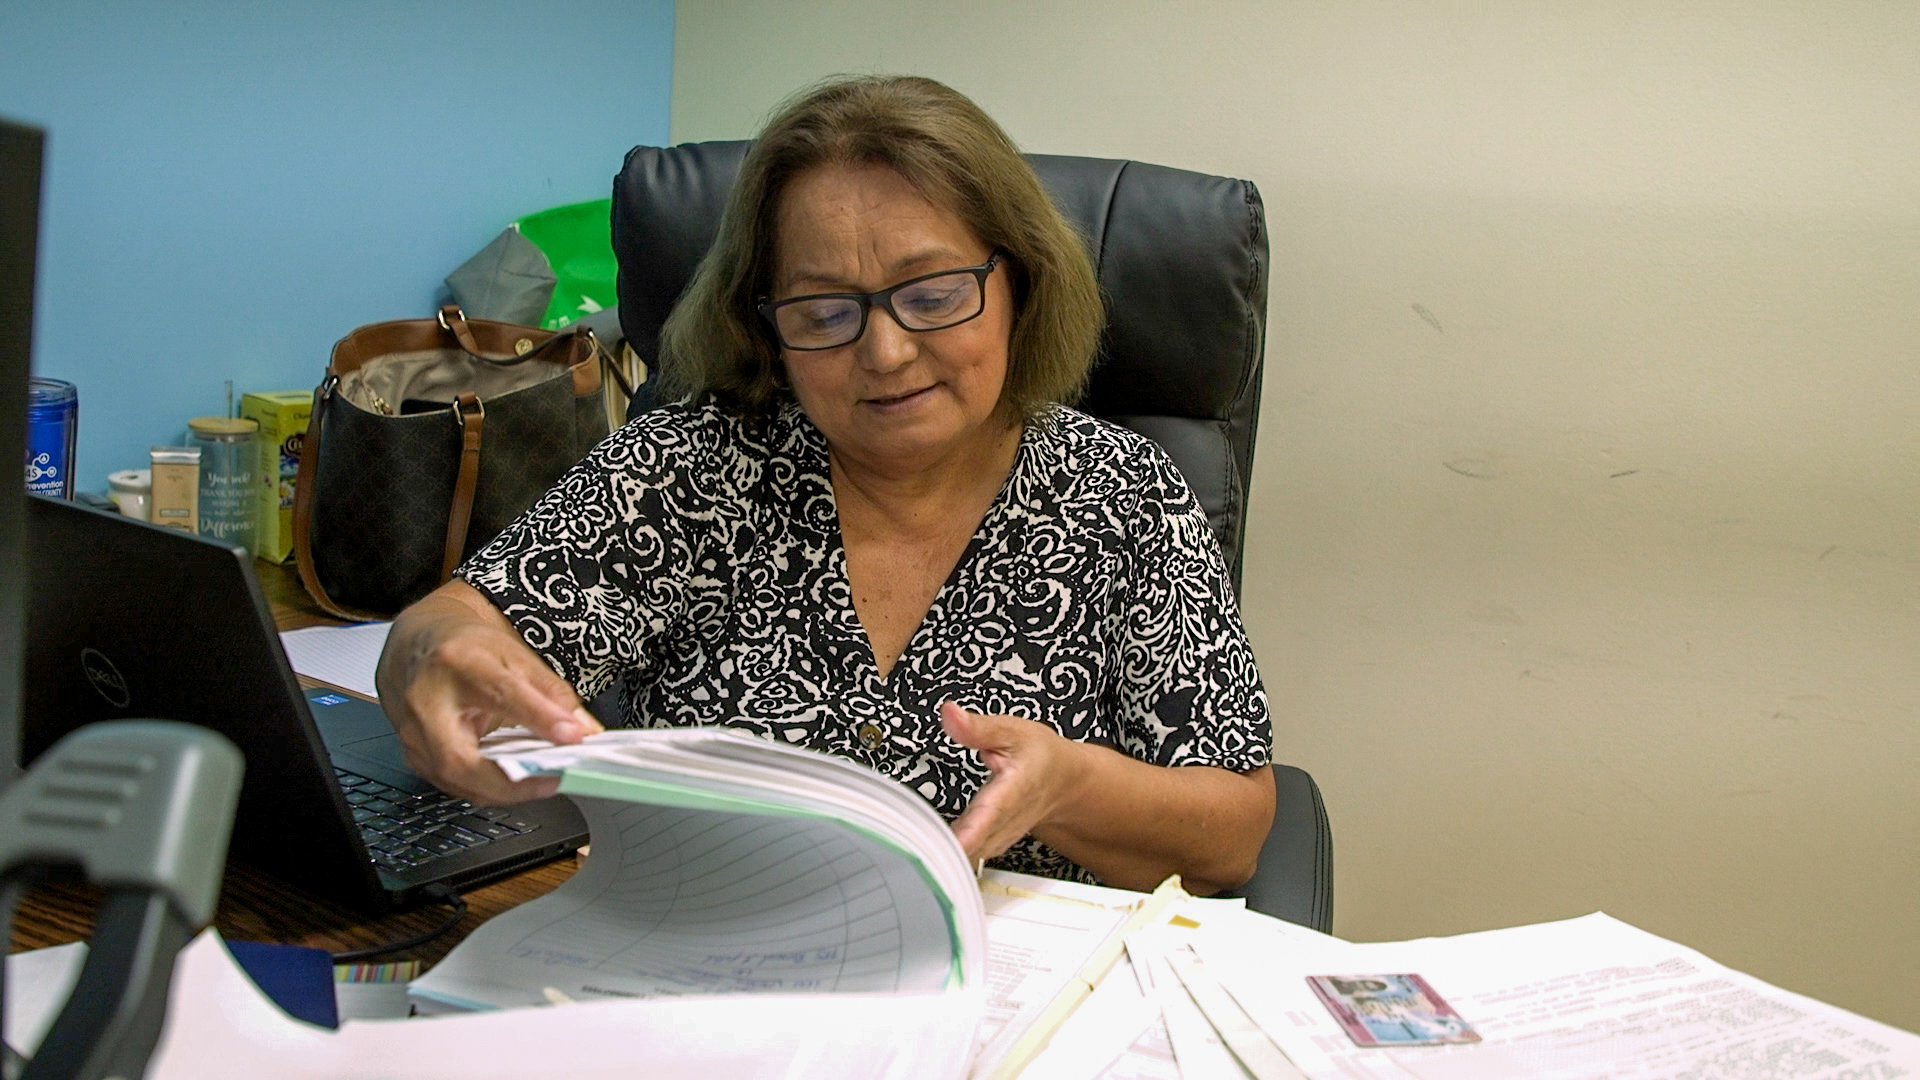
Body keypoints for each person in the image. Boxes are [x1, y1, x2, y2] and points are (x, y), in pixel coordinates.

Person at [376, 74, 1275, 894]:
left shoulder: (1123, 497)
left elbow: (1234, 830)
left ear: (1021, 282)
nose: (883, 352)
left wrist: (1071, 785)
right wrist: (425, 652)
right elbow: (458, 624)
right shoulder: (699, 463)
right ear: (766, 324)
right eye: (825, 311)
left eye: (931, 294)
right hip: (704, 971)